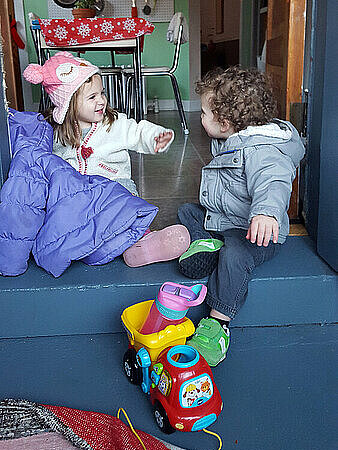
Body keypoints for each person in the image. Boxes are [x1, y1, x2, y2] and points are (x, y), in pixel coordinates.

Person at [177, 66, 305, 366]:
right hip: (225, 218)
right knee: (187, 211)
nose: (201, 117)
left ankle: (218, 322)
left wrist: (265, 213)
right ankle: (206, 245)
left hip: (253, 232)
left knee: (234, 255)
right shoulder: (230, 139)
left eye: (205, 113)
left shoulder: (263, 151)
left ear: (224, 122)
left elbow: (273, 181)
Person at [23, 51, 190, 266]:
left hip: (115, 186)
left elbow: (137, 131)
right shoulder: (56, 134)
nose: (101, 100)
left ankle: (143, 242)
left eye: (102, 93)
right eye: (92, 97)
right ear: (68, 104)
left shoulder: (114, 124)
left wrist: (154, 137)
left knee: (127, 212)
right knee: (68, 217)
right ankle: (92, 247)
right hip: (79, 197)